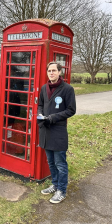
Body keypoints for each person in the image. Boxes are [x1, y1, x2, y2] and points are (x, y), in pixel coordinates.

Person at [38, 62, 76, 203]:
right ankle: (54, 184)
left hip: (58, 130)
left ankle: (62, 190)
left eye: (54, 70)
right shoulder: (44, 88)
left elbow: (71, 110)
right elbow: (40, 105)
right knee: (51, 162)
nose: (51, 73)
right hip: (45, 130)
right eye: (49, 70)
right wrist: (40, 115)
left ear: (60, 72)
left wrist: (53, 117)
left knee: (60, 163)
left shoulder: (67, 89)